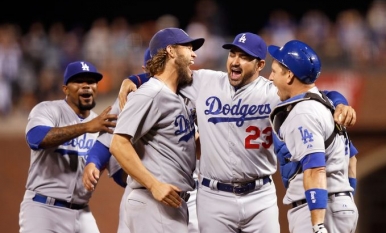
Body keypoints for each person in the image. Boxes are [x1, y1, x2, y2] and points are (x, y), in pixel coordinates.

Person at [118, 32, 356, 233]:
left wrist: (340, 101)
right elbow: (169, 74)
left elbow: (311, 94)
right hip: (214, 195)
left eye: (244, 57)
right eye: (233, 54)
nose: (235, 61)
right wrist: (135, 79)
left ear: (260, 65)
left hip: (260, 194)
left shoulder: (273, 91)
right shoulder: (205, 82)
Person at [82, 47, 201, 233]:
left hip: (184, 191)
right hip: (151, 192)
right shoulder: (140, 96)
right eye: (146, 73)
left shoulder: (188, 91)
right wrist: (94, 162)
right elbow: (112, 141)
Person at [109, 28, 204, 233]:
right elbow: (118, 144)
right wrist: (154, 185)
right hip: (153, 202)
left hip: (170, 204)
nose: (194, 54)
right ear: (170, 51)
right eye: (188, 48)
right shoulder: (150, 94)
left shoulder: (176, 97)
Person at [268, 40, 358, 233]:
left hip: (318, 210)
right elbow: (352, 160)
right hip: (337, 206)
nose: (270, 77)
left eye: (274, 71)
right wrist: (346, 198)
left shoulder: (303, 113)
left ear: (289, 75)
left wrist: (317, 225)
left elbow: (315, 169)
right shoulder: (327, 104)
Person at [19, 60, 117, 233]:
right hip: (43, 209)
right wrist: (87, 127)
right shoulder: (48, 110)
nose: (86, 86)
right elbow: (35, 138)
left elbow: (117, 172)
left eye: (91, 81)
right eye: (79, 81)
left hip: (82, 212)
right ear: (65, 89)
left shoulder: (101, 124)